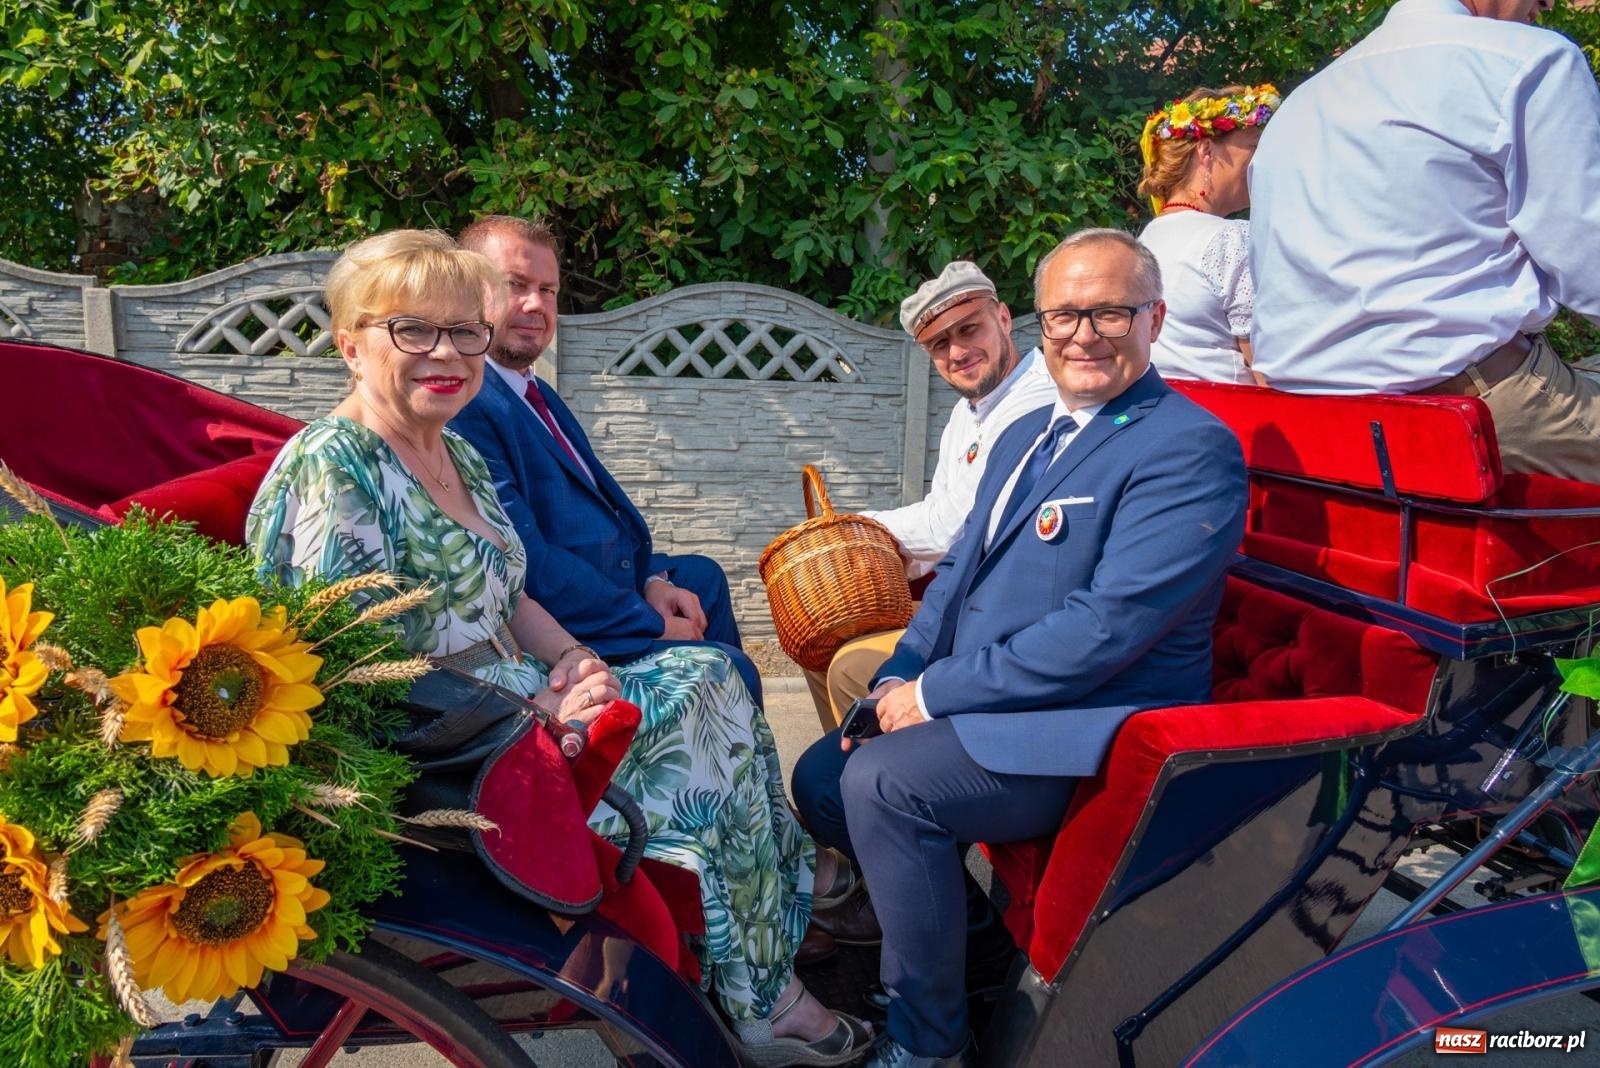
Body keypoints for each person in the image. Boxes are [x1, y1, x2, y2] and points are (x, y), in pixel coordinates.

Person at [246, 229, 870, 1066]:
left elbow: (514, 589)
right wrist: (537, 703)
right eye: (414, 330)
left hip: (507, 695)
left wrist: (575, 658)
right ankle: (764, 993)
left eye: (466, 330)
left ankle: (765, 937)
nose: (448, 352)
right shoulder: (336, 464)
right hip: (441, 741)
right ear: (351, 343)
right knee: (697, 702)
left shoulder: (452, 446)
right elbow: (345, 671)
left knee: (709, 677)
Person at [792, 229, 1248, 1067]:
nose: (1083, 334)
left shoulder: (1187, 446)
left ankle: (930, 1042)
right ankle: (978, 961)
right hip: (1010, 698)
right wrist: (898, 673)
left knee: (884, 785)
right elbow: (957, 581)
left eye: (1109, 312)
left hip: (1099, 722)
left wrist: (933, 697)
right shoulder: (1024, 436)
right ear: (1038, 322)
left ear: (1154, 317)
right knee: (823, 776)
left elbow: (1107, 627)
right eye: (1064, 315)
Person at [1250, 0, 1600, 481]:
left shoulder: (1300, 104)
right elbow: (1586, 257)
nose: (1547, 4)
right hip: (1470, 417)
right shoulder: (1528, 59)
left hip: (1324, 434)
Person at [447, 216, 761, 702]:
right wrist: (648, 623)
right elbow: (529, 561)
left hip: (607, 581)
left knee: (702, 577)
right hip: (562, 620)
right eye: (515, 285)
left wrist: (653, 578)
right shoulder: (469, 404)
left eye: (548, 290)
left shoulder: (538, 393)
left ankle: (725, 748)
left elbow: (606, 510)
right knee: (732, 667)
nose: (536, 304)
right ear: (468, 291)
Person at [802, 261, 1056, 730]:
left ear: (1002, 318)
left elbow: (955, 527)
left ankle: (866, 781)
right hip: (960, 594)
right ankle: (843, 783)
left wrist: (858, 530)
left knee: (847, 666)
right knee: (820, 642)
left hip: (1004, 620)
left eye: (969, 329)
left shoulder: (1035, 402)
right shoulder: (970, 410)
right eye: (940, 343)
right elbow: (940, 513)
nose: (957, 351)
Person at [1135, 83, 1279, 385]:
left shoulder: (1147, 239)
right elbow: (1269, 367)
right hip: (1233, 421)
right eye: (1254, 147)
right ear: (1206, 151)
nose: (1263, 161)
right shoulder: (1232, 238)